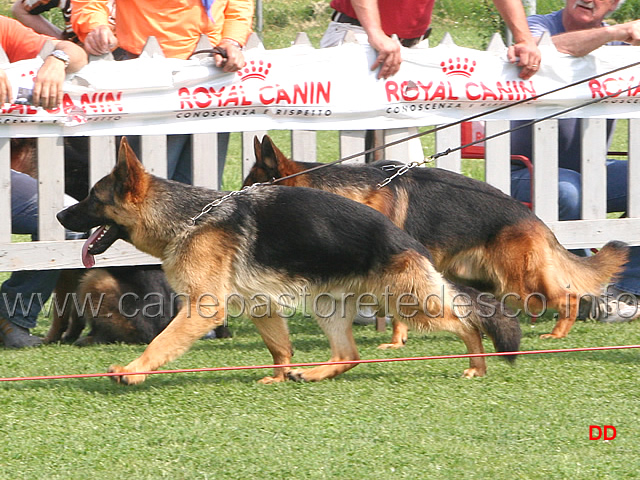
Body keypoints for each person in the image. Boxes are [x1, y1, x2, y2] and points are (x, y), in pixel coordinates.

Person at [510, 0, 640, 323]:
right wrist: (619, 31)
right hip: (523, 170)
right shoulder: (537, 25)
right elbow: (546, 50)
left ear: (614, 5)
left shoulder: (621, 44)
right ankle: (583, 290)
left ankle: (627, 292)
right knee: (569, 192)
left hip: (594, 172)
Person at [70, 0, 253, 186]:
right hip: (144, 76)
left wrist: (232, 41)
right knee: (144, 189)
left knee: (203, 187)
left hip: (211, 74)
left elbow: (239, 4)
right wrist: (95, 27)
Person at [0, 16, 88, 347]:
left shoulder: (3, 29)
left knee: (69, 218)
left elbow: (76, 53)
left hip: (8, 174)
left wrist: (57, 59)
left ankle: (10, 317)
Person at [321, 0, 542, 80]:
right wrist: (376, 33)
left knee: (401, 155)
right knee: (353, 145)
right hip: (358, 36)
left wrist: (524, 39)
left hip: (411, 45)